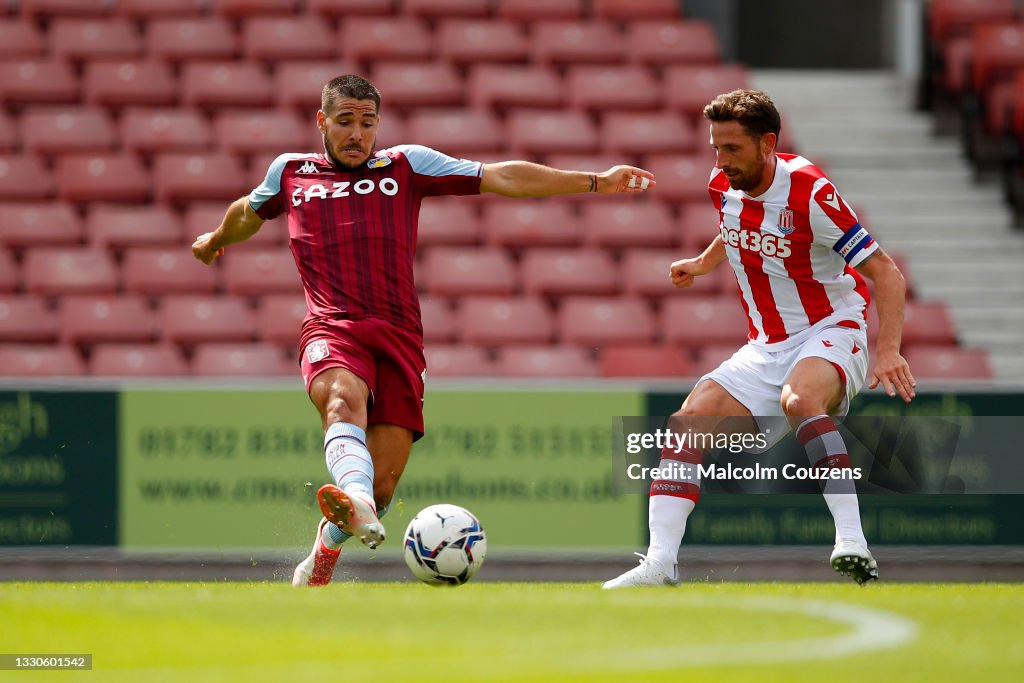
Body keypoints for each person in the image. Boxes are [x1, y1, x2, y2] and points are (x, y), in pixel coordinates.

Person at [191, 74, 656, 586]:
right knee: (342, 402)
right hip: (332, 326)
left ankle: (329, 546)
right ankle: (358, 499)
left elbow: (503, 177)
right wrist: (216, 238)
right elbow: (246, 213)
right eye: (344, 122)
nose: (356, 135)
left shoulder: (406, 164)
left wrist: (595, 180)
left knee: (384, 486)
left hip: (399, 337)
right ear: (321, 121)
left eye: (367, 124)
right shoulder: (290, 172)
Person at [602, 89, 916, 589]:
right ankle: (660, 565)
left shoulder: (811, 193)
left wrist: (888, 349)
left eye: (732, 148)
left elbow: (887, 274)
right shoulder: (723, 185)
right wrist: (702, 264)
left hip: (831, 328)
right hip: (766, 344)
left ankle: (853, 541)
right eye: (715, 148)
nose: (721, 161)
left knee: (801, 399)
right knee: (687, 423)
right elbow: (735, 227)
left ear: (768, 144)